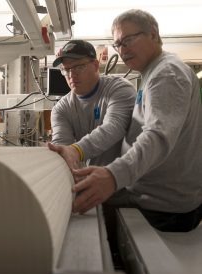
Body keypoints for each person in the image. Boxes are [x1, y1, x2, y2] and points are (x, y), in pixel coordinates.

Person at [49, 10, 202, 233]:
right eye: (118, 44)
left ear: (153, 34)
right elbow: (63, 146)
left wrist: (112, 176)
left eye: (129, 40)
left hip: (164, 205)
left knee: (83, 220)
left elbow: (157, 136)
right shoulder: (153, 72)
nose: (123, 49)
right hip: (148, 192)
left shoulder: (166, 73)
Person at [49, 40, 136, 172]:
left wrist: (76, 151)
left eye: (78, 67)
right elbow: (63, 147)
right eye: (66, 70)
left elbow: (114, 127)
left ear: (95, 65)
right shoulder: (61, 109)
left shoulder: (119, 89)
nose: (72, 75)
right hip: (91, 181)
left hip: (125, 180)